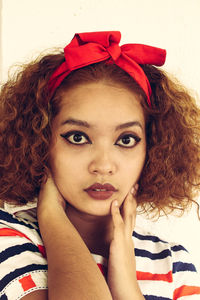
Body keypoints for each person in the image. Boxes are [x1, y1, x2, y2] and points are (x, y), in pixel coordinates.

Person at [0, 31, 199, 300]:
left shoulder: (173, 263)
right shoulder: (9, 237)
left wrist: (126, 282)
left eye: (126, 139)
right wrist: (52, 219)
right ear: (38, 140)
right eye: (78, 137)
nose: (103, 165)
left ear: (153, 148)